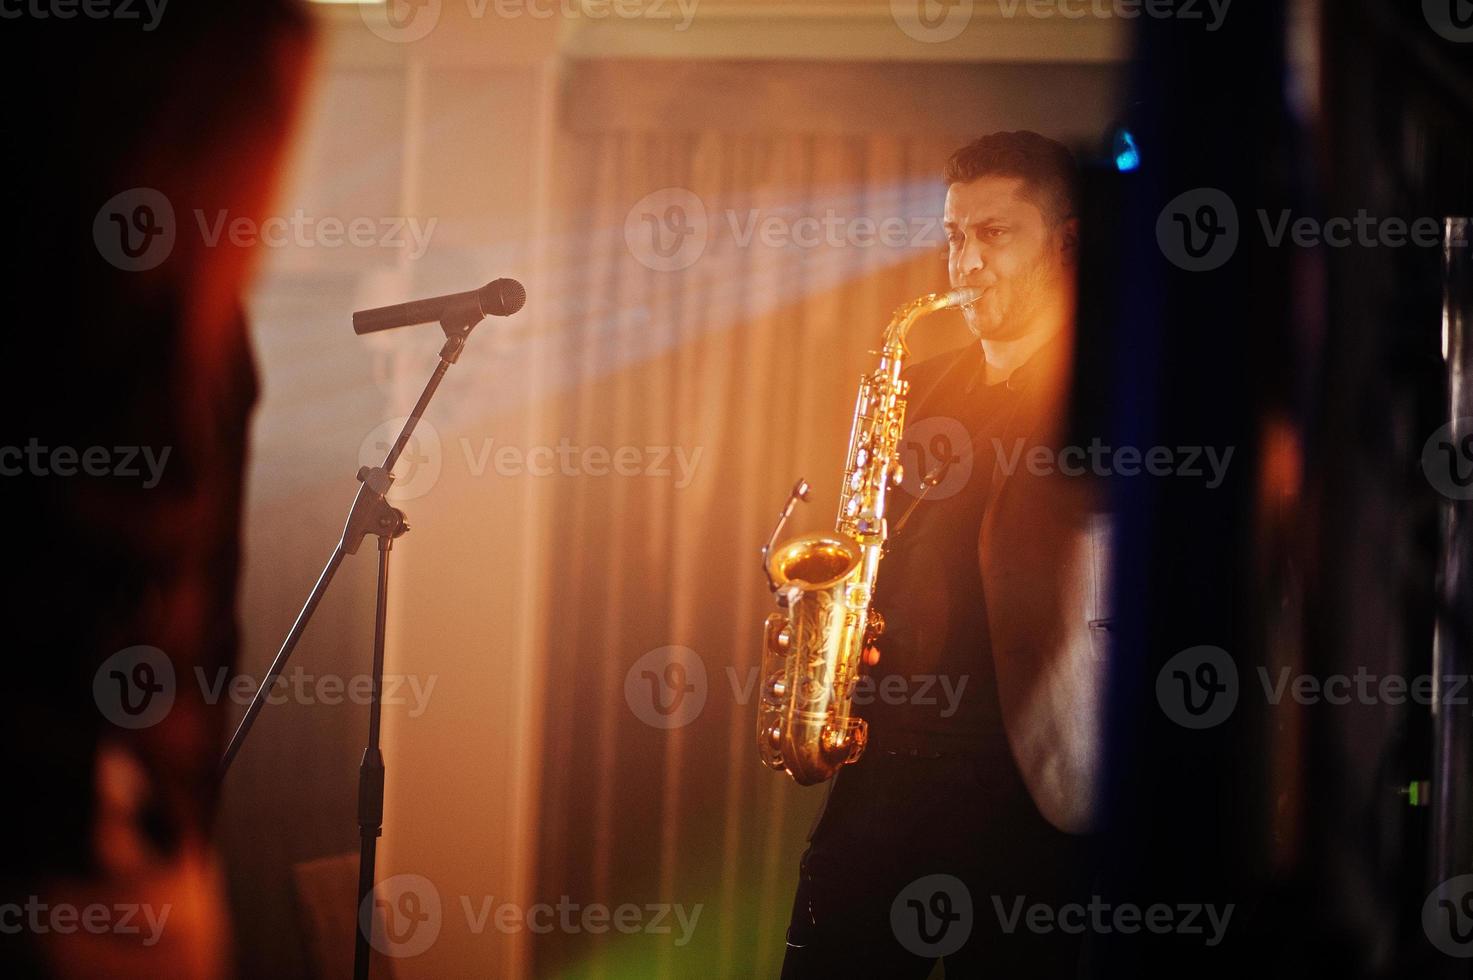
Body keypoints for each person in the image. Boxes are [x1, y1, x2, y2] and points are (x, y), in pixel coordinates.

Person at [781, 130, 1110, 978]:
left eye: (994, 234)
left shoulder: (1105, 396)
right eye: (955, 235)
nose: (963, 263)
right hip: (885, 758)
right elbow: (865, 535)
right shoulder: (917, 386)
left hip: (1019, 772)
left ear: (1066, 242)